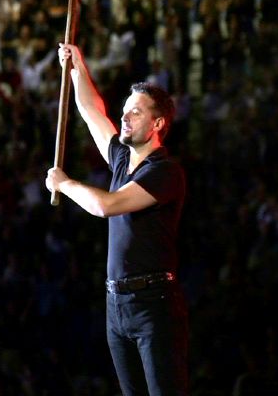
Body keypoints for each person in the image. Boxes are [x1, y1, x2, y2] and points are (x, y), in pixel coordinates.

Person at [45, 43, 189, 395]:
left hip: (153, 303)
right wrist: (77, 66)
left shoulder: (165, 172)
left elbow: (107, 206)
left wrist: (65, 184)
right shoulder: (123, 159)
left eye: (135, 112)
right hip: (117, 303)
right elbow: (91, 110)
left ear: (157, 123)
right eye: (125, 111)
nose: (125, 117)